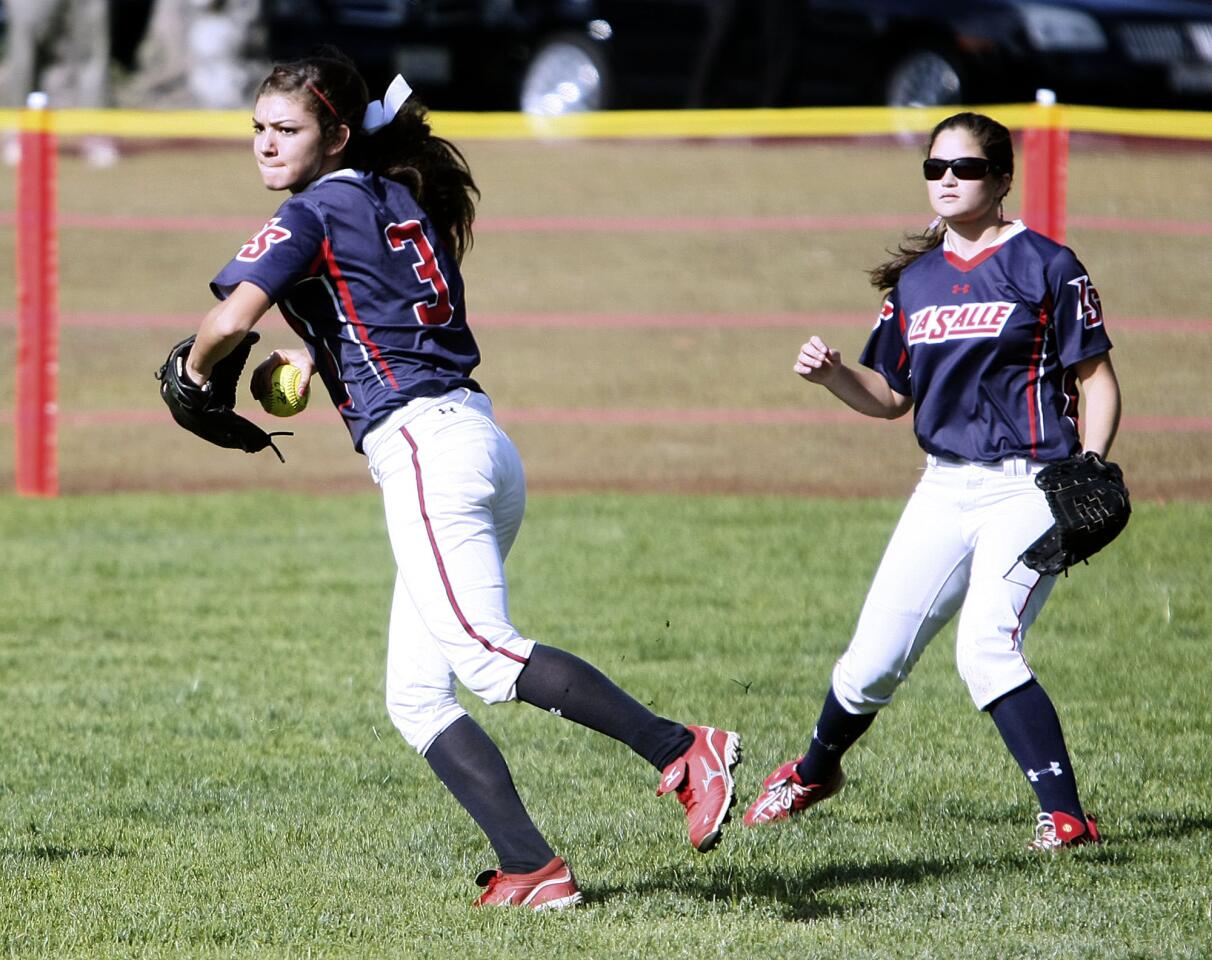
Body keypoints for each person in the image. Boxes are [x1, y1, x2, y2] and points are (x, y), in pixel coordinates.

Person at [178, 48, 742, 909]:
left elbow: (228, 318)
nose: (263, 143)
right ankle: (532, 867)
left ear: (335, 134)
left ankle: (679, 749)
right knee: (414, 694)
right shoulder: (398, 194)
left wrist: (191, 369)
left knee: (483, 655)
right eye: (256, 127)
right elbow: (380, 316)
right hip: (474, 438)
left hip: (422, 449)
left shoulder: (315, 209)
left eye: (285, 129)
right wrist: (313, 355)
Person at [743, 112, 1120, 851]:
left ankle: (1066, 816)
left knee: (984, 646)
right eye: (935, 167)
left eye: (967, 167)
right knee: (870, 662)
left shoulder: (1047, 264)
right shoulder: (917, 283)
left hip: (1031, 487)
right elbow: (889, 396)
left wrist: (1092, 465)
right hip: (944, 487)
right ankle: (815, 771)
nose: (948, 179)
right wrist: (832, 377)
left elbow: (1097, 379)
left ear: (1003, 179)